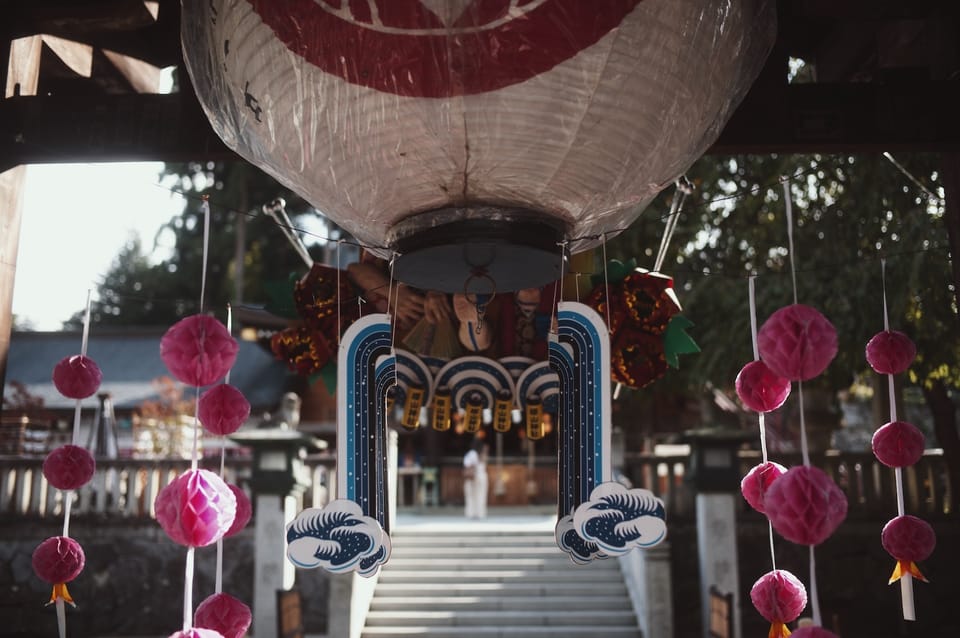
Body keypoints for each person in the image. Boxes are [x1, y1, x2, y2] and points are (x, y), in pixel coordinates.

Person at [462, 436, 489, 519]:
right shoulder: (477, 454)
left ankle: (471, 513)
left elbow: (467, 464)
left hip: (473, 476)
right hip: (479, 475)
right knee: (480, 495)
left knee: (471, 495)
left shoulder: (470, 453)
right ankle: (479, 513)